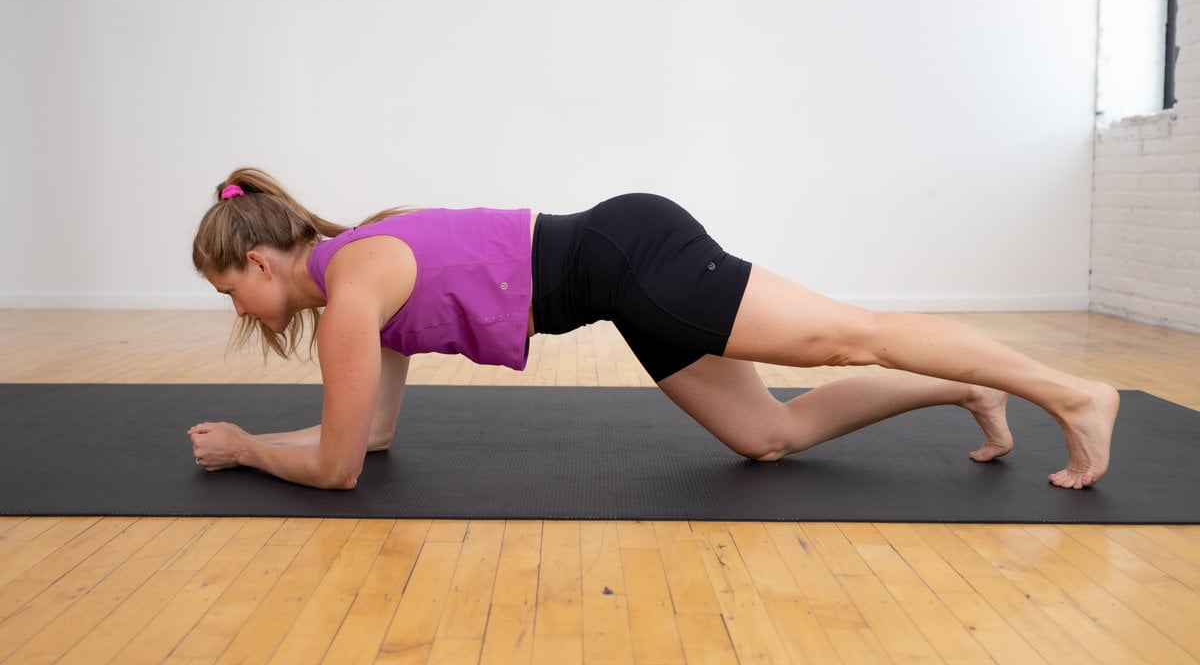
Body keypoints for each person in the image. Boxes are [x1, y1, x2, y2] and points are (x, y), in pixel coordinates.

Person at [188, 168, 1119, 491]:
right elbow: (372, 434)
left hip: (636, 264)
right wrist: (275, 443)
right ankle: (964, 384)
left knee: (853, 333)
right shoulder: (358, 277)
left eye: (229, 289)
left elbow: (339, 469)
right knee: (770, 435)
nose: (236, 311)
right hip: (625, 273)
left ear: (262, 262)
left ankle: (1077, 395)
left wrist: (243, 446)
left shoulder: (351, 292)